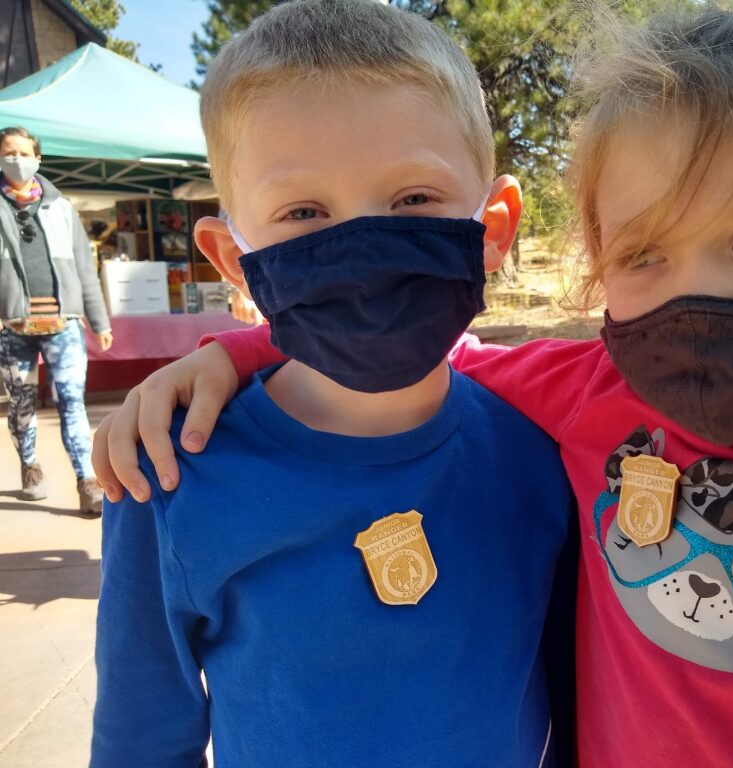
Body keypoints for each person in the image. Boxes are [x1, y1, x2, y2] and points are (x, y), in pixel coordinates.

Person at [95, 2, 733, 765]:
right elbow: (412, 358)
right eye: (646, 251)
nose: (699, 293)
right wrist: (232, 352)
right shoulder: (582, 401)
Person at [89, 1, 576, 766]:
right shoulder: (169, 474)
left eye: (414, 199)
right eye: (305, 212)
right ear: (231, 258)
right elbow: (140, 740)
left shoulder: (543, 452)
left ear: (496, 228)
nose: (361, 245)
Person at [0, 126, 112, 514]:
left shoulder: (61, 207)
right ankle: (30, 466)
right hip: (12, 327)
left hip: (64, 324)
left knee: (72, 401)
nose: (16, 159)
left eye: (24, 152)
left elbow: (85, 266)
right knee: (22, 405)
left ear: (38, 158)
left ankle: (87, 480)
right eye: (8, 152)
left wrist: (100, 321)